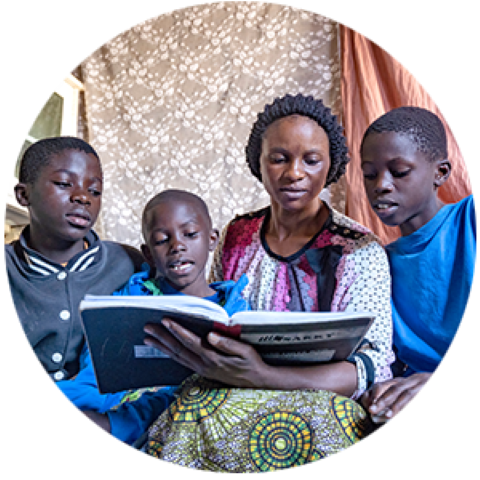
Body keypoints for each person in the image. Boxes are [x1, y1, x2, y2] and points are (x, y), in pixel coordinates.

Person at [143, 94, 395, 470]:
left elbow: (371, 364)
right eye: (278, 158)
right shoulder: (236, 234)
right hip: (227, 382)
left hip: (317, 398)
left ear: (332, 166)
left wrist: (264, 376)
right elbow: (215, 313)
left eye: (311, 160)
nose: (294, 173)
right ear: (258, 163)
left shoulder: (357, 249)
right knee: (182, 410)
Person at [75, 189, 250, 446]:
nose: (177, 246)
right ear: (148, 254)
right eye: (161, 240)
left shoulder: (233, 311)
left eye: (190, 234)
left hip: (183, 413)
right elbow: (93, 371)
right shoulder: (129, 298)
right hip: (112, 407)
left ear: (212, 239)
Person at [359, 106, 476, 423]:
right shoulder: (374, 262)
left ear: (440, 172)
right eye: (369, 174)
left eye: (399, 172)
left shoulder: (471, 219)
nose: (380, 185)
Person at [5, 137, 143, 385]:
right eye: (64, 183)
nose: (82, 197)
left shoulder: (127, 262)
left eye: (94, 191)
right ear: (24, 195)